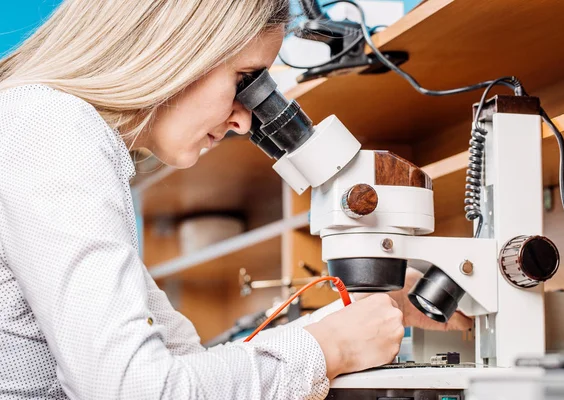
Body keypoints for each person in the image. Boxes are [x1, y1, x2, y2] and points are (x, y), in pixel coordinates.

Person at [0, 1, 471, 399]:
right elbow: (139, 389)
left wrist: (352, 319)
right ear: (177, 47)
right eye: (246, 79)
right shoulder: (51, 125)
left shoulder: (52, 129)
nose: (245, 124)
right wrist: (329, 350)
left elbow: (186, 367)